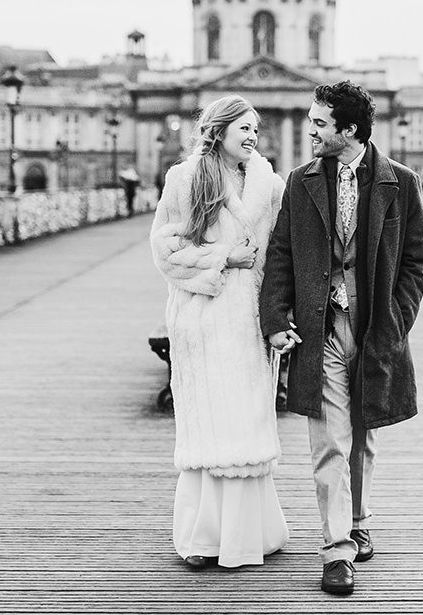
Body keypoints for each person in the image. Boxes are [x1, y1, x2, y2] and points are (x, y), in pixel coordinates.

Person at [260, 81, 423, 595]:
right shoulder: (300, 181)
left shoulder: (402, 182)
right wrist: (275, 319)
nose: (310, 129)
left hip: (376, 327)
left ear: (348, 130)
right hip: (322, 328)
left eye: (318, 122)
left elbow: (416, 262)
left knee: (365, 430)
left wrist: (396, 321)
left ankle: (358, 518)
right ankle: (337, 549)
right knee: (329, 438)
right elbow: (282, 255)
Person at [150, 95, 289, 569]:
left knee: (246, 419)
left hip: (250, 318)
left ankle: (250, 535)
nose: (252, 136)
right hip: (204, 315)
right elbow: (165, 249)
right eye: (243, 128)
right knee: (211, 421)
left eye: (256, 128)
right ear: (220, 130)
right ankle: (203, 536)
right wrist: (221, 257)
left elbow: (283, 253)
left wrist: (279, 315)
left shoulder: (269, 182)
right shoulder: (185, 178)